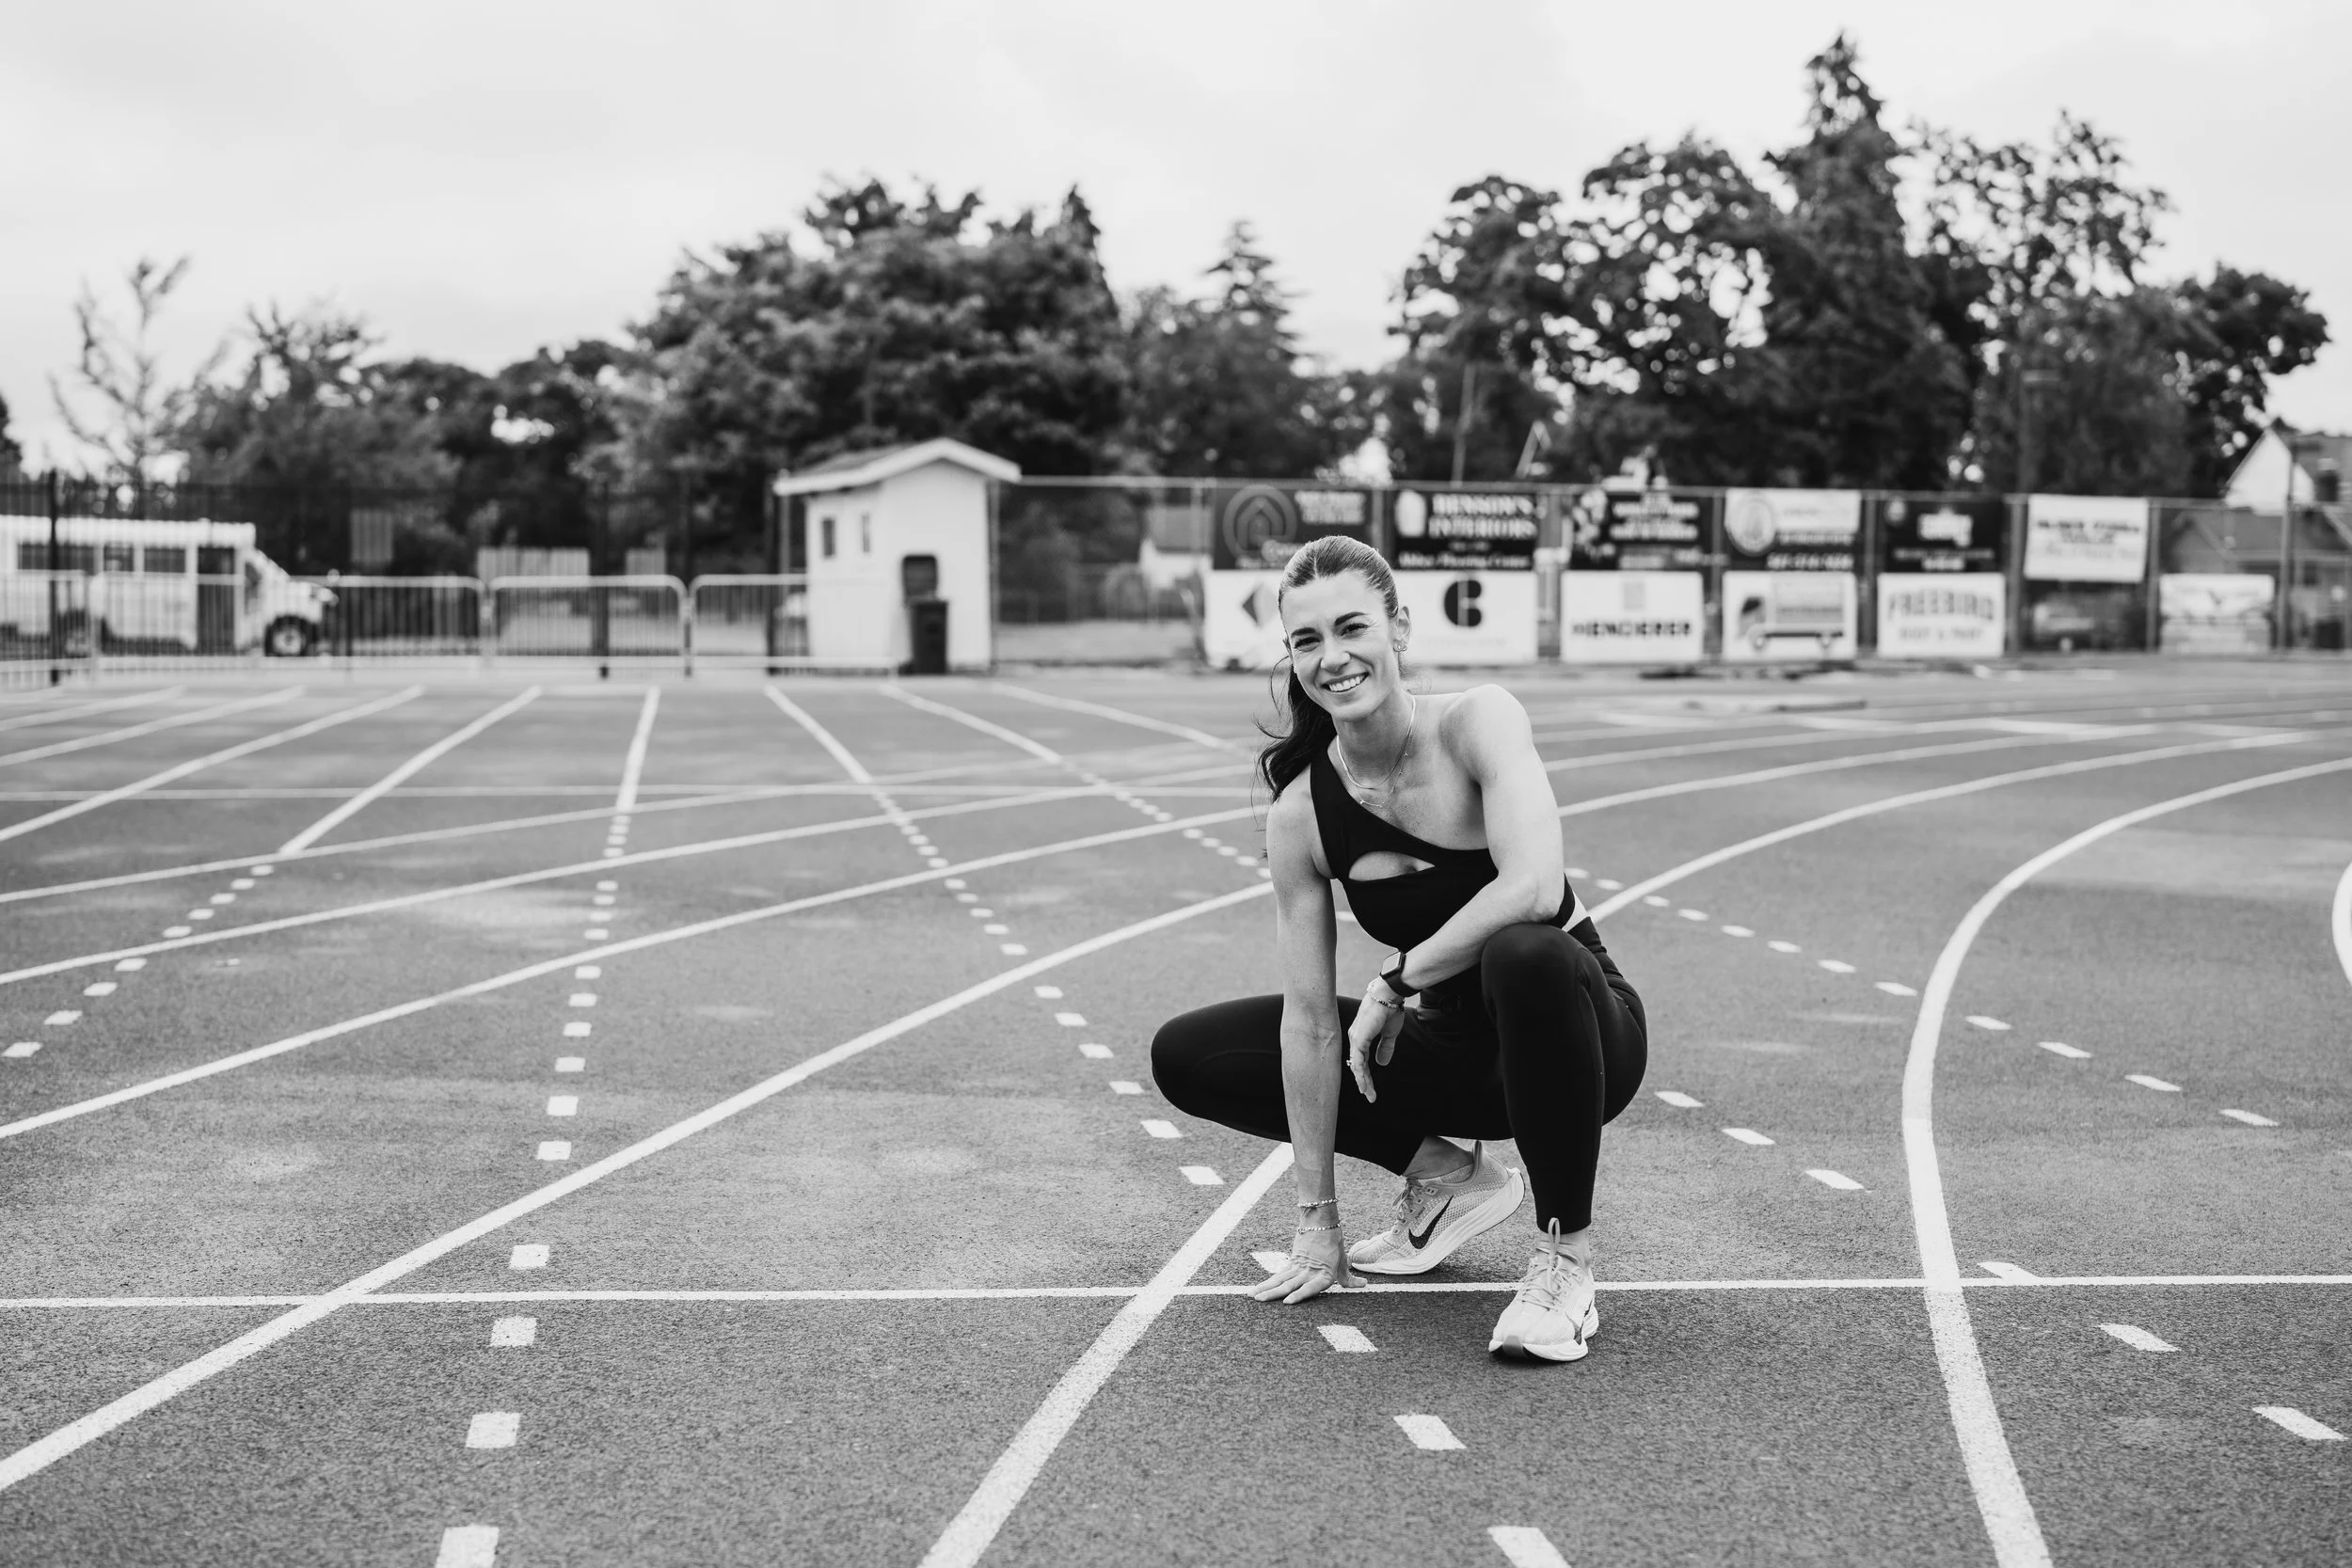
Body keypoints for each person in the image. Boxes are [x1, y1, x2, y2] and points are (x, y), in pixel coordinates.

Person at [1152, 535, 1646, 1361]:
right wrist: (1319, 1223)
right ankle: (1453, 1176)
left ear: (1400, 629)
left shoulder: (1479, 720)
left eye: (1352, 628)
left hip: (1581, 1032)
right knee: (1192, 1052)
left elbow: (1532, 884)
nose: (1333, 658)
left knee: (1524, 950)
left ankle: (1565, 1266)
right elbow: (1310, 1025)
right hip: (1458, 1058)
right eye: (1307, 641)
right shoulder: (1302, 814)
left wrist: (1395, 978)